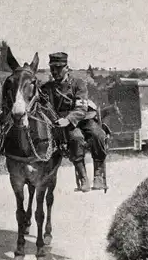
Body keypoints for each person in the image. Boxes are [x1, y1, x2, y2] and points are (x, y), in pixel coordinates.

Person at [40, 52, 108, 192]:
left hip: (83, 118)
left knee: (99, 135)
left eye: (59, 68)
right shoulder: (47, 88)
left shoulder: (78, 83)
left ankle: (98, 176)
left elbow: (81, 106)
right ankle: (83, 178)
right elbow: (44, 106)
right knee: (76, 138)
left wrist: (69, 119)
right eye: (53, 69)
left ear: (67, 68)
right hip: (63, 123)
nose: (55, 72)